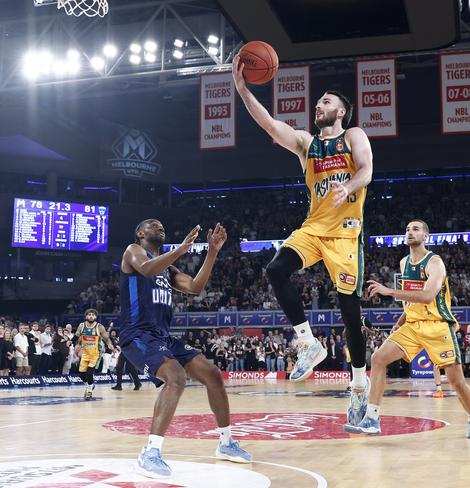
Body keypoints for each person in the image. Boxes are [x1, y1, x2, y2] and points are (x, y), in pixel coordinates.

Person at [233, 56, 373, 426]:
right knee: (276, 269)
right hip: (313, 228)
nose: (318, 106)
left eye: (326, 102)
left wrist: (350, 186)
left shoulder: (353, 135)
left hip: (346, 232)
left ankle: (359, 384)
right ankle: (308, 343)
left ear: (341, 111)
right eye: (318, 103)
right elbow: (268, 124)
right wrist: (243, 89)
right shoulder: (306, 144)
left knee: (350, 316)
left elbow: (367, 169)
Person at [119, 219, 250, 478]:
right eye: (153, 225)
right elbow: (145, 270)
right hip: (137, 335)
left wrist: (212, 252)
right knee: (176, 376)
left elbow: (195, 287)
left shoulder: (168, 269)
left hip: (163, 336)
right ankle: (150, 452)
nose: (160, 227)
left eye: (161, 225)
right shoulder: (133, 251)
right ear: (140, 232)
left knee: (212, 374)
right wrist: (181, 249)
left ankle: (226, 443)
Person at [345, 220, 470, 438]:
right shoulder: (403, 263)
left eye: (416, 229)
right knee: (379, 358)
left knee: (457, 382)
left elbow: (427, 296)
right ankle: (372, 418)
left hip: (437, 327)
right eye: (408, 229)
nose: (410, 232)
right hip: (412, 326)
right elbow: (411, 300)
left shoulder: (434, 262)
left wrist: (389, 291)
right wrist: (401, 321)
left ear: (426, 236)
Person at [74, 309, 114, 400]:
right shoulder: (82, 325)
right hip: (85, 353)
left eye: (93, 315)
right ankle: (90, 385)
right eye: (89, 315)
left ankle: (89, 390)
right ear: (86, 316)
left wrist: (110, 344)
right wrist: (71, 341)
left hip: (95, 353)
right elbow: (76, 335)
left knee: (89, 373)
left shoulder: (99, 327)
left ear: (95, 317)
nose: (91, 316)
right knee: (81, 373)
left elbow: (106, 338)